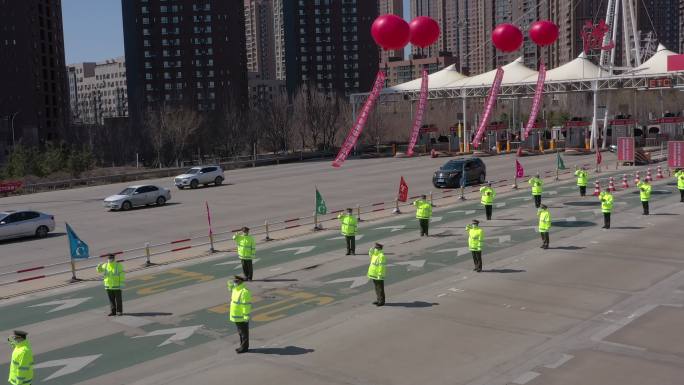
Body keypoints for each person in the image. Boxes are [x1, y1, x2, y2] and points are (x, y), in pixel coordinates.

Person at [228, 275, 252, 353]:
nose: (234, 283)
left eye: (236, 281)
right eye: (234, 281)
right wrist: (229, 283)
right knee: (240, 332)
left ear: (240, 282)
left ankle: (244, 348)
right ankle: (242, 345)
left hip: (242, 316)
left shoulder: (244, 292)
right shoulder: (235, 289)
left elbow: (246, 305)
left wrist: (246, 316)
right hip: (236, 316)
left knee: (244, 333)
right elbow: (229, 288)